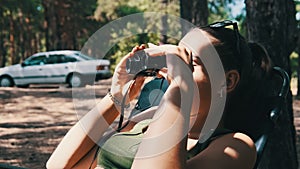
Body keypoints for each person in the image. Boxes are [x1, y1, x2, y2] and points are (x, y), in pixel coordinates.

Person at [46, 20, 272, 169]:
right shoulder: (150, 116)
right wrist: (115, 97)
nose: (171, 70)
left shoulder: (236, 146)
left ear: (228, 81)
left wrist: (181, 85)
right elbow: (57, 165)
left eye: (189, 62)